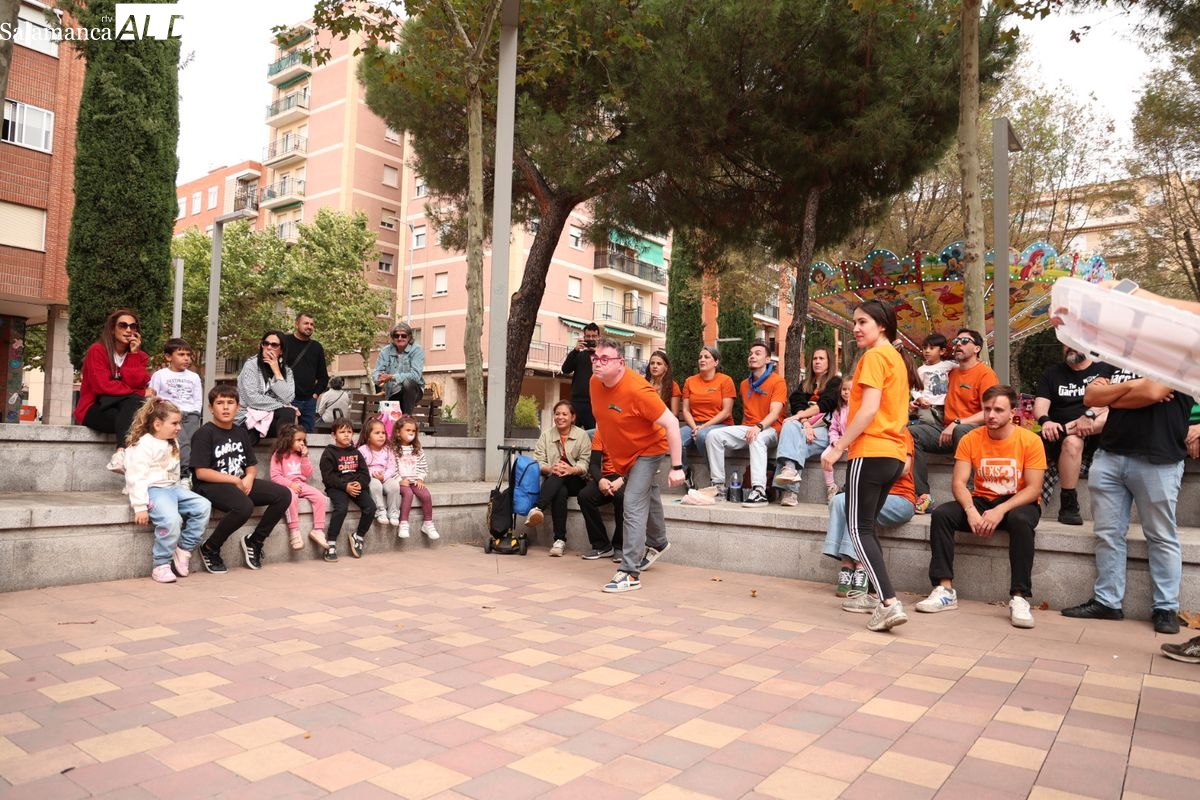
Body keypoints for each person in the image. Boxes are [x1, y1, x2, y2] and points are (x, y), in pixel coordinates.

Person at [1061, 368, 1193, 634]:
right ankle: (1107, 602)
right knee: (1107, 533)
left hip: (1160, 458)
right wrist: (1137, 388)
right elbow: (1090, 397)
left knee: (1161, 536)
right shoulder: (1116, 362)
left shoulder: (1177, 361)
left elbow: (1154, 391)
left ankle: (1166, 608)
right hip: (1110, 455)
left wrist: (1114, 395)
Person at [915, 385, 1046, 628]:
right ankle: (944, 590)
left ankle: (1019, 597)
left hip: (1017, 502)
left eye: (999, 410)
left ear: (1012, 411)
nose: (991, 415)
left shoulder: (1030, 440)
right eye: (987, 409)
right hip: (981, 501)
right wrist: (970, 511)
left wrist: (1000, 510)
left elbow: (1034, 489)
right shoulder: (970, 438)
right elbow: (958, 483)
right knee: (943, 514)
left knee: (1020, 520)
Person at [820, 300, 911, 632]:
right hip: (893, 453)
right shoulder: (895, 359)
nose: (856, 328)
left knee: (859, 530)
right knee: (867, 527)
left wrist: (837, 448)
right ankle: (877, 596)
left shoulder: (874, 357)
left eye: (863, 322)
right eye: (854, 322)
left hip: (870, 451)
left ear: (882, 325)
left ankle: (888, 602)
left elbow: (869, 409)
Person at [589, 338, 685, 593]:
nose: (598, 364)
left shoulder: (639, 390)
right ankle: (660, 542)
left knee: (632, 500)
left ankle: (630, 572)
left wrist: (677, 467)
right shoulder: (593, 383)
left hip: (649, 449)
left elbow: (672, 424)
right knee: (648, 494)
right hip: (625, 453)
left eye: (605, 359)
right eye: (595, 358)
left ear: (620, 363)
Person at [192, 385, 292, 573]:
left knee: (283, 494)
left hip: (238, 482)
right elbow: (201, 472)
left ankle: (255, 541)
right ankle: (211, 547)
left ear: (238, 408)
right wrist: (235, 481)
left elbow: (251, 465)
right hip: (210, 485)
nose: (226, 407)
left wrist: (249, 477)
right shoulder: (204, 433)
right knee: (243, 506)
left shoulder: (240, 432)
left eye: (231, 403)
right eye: (220, 403)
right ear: (211, 408)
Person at [908, 328, 998, 513]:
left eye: (965, 341)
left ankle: (972, 494)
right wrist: (917, 403)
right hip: (944, 430)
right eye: (957, 340)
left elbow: (989, 412)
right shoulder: (951, 372)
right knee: (910, 433)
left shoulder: (985, 374)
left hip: (973, 433)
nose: (958, 344)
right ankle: (923, 496)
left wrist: (957, 423)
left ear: (977, 348)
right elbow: (930, 390)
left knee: (960, 430)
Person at [123, 397, 212, 584]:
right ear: (157, 424)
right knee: (172, 520)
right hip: (154, 490)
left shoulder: (173, 442)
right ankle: (161, 564)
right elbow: (136, 477)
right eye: (174, 423)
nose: (179, 427)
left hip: (173, 488)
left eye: (179, 422)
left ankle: (183, 549)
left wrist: (182, 488)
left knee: (203, 506)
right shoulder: (143, 445)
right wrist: (140, 506)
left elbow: (175, 471)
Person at [823, 429, 916, 597]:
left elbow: (905, 468)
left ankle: (861, 566)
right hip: (871, 494)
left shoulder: (901, 432)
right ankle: (847, 565)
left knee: (853, 505)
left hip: (900, 499)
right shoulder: (862, 434)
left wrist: (875, 468)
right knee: (838, 500)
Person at [1033, 346, 1111, 525]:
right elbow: (1040, 405)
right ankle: (1068, 504)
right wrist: (1046, 421)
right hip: (1057, 437)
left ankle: (1066, 430)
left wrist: (1087, 416)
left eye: (1074, 343)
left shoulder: (1103, 369)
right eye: (1066, 343)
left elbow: (1110, 401)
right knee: (1072, 441)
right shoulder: (1052, 373)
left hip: (1095, 431)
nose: (1069, 347)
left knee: (1112, 415)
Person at [705, 340, 787, 507]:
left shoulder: (777, 381)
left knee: (756, 439)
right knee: (713, 435)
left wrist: (758, 427)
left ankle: (759, 491)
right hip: (750, 428)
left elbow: (775, 412)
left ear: (768, 360)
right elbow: (747, 416)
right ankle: (719, 486)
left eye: (757, 353)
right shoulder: (744, 384)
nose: (752, 356)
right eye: (750, 354)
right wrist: (745, 431)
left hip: (772, 429)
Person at [75, 308, 151, 474]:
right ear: (112, 328)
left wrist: (133, 355)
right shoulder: (98, 350)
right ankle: (134, 476)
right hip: (94, 409)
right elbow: (102, 386)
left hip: (121, 412)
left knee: (135, 412)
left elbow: (136, 382)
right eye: (123, 325)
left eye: (133, 326)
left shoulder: (140, 356)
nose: (128, 330)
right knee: (135, 411)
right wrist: (139, 392)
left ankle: (121, 454)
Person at [773, 348, 842, 505]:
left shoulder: (835, 383)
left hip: (826, 430)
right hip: (805, 428)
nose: (817, 361)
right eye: (815, 358)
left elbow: (826, 405)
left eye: (821, 358)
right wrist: (805, 423)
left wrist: (801, 418)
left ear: (829, 362)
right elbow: (797, 403)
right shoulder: (805, 384)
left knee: (793, 436)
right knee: (792, 428)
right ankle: (790, 471)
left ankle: (789, 492)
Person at [526, 400, 591, 556]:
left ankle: (537, 508)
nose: (560, 417)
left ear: (572, 417)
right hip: (555, 480)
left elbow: (585, 463)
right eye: (557, 414)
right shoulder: (546, 436)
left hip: (577, 480)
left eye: (564, 414)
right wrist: (550, 468)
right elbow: (539, 460)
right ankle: (559, 541)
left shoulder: (582, 435)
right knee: (560, 490)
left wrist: (571, 469)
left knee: (560, 473)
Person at [319, 418, 377, 561]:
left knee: (370, 507)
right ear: (334, 435)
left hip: (355, 486)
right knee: (341, 508)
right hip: (337, 487)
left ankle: (358, 536)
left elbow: (365, 474)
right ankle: (331, 543)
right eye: (342, 432)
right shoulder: (329, 453)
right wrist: (345, 486)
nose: (346, 435)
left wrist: (359, 484)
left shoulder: (356, 453)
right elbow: (328, 477)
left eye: (349, 432)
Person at [148, 338, 204, 480]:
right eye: (181, 354)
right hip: (170, 416)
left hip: (191, 415)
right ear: (168, 357)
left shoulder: (194, 377)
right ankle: (186, 475)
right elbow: (152, 397)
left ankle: (189, 474)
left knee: (193, 443)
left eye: (188, 354)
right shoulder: (160, 375)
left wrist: (196, 413)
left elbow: (197, 398)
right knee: (182, 443)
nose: (186, 358)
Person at [269, 423, 328, 551]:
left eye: (303, 440)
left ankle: (318, 530)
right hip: (286, 487)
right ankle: (294, 531)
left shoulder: (301, 455)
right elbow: (275, 477)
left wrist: (305, 457)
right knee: (292, 498)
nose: (302, 443)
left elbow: (307, 474)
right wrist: (290, 485)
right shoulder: (278, 455)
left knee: (320, 497)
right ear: (288, 440)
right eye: (298, 440)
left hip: (301, 484)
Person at [679, 346, 735, 475]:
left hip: (719, 425)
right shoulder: (690, 381)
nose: (702, 360)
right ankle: (685, 473)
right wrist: (695, 427)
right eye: (700, 357)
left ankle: (715, 476)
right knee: (676, 439)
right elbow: (686, 410)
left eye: (706, 357)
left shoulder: (726, 380)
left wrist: (703, 427)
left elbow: (726, 412)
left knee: (703, 436)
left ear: (716, 362)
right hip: (695, 425)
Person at [236, 331, 298, 443]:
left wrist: (276, 370)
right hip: (247, 417)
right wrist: (282, 406)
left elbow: (288, 397)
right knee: (286, 410)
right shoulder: (251, 366)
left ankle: (283, 453)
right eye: (266, 343)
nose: (269, 347)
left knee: (288, 413)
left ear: (281, 350)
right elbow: (252, 398)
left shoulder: (287, 371)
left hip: (269, 418)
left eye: (274, 345)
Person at [578, 427, 625, 561]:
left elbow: (638, 463)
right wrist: (600, 480)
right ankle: (602, 545)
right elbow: (593, 464)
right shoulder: (601, 431)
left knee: (621, 497)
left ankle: (619, 547)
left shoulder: (630, 430)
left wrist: (621, 480)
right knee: (585, 496)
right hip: (607, 476)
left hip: (627, 476)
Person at [392, 415, 439, 540]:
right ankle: (403, 523)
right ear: (398, 432)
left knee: (426, 495)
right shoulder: (393, 449)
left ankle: (428, 523)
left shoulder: (417, 449)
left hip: (415, 481)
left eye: (413, 431)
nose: (411, 433)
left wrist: (420, 478)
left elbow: (423, 466)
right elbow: (391, 468)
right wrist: (399, 480)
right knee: (408, 494)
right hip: (401, 482)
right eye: (408, 430)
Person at [282, 313, 329, 433]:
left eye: (312, 324)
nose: (309, 326)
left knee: (308, 437)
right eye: (306, 323)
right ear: (297, 324)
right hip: (287, 399)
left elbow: (323, 376)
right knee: (285, 434)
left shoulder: (316, 347)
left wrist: (315, 395)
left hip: (309, 401)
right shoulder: (284, 342)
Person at [373, 322, 426, 415]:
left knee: (407, 383)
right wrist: (379, 378)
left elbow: (416, 376)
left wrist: (392, 377)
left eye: (403, 336)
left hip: (413, 391)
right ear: (393, 338)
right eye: (397, 336)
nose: (400, 338)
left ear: (409, 337)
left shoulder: (417, 350)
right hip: (392, 392)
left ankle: (406, 418)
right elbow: (376, 373)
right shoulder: (385, 351)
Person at [358, 415, 401, 528]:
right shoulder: (362, 450)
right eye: (377, 433)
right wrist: (372, 475)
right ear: (368, 436)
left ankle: (393, 512)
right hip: (370, 478)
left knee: (394, 485)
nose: (381, 436)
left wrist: (384, 476)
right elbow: (361, 468)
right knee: (375, 484)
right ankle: (380, 510)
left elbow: (392, 467)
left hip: (385, 477)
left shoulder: (388, 449)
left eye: (383, 433)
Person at [818, 380, 853, 503]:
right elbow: (833, 429)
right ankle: (831, 486)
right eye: (844, 389)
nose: (846, 392)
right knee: (824, 456)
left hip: (853, 443)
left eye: (850, 389)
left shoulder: (859, 409)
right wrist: (834, 441)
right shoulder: (838, 410)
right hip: (838, 442)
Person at [561, 322, 601, 430]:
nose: (591, 339)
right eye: (588, 336)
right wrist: (575, 350)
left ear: (599, 338)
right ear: (584, 337)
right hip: (576, 403)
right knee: (571, 437)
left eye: (594, 336)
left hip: (594, 404)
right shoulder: (578, 355)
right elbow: (565, 369)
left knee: (593, 438)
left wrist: (598, 354)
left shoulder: (603, 357)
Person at [911, 333, 954, 427]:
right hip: (925, 405)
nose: (927, 351)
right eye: (924, 348)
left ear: (942, 351)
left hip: (942, 406)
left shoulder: (948, 365)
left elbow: (963, 368)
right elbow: (914, 388)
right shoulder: (921, 370)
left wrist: (977, 362)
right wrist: (920, 399)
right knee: (928, 421)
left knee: (940, 426)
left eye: (931, 348)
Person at [644, 350, 682, 417]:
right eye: (652, 363)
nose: (654, 366)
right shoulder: (644, 384)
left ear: (666, 368)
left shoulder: (673, 386)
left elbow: (674, 413)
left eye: (659, 364)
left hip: (665, 423)